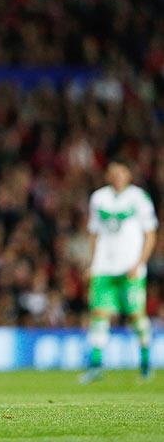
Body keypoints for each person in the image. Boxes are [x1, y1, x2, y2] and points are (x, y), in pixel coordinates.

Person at [81, 160, 158, 383]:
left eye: (121, 172)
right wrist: (92, 263)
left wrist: (140, 262)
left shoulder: (139, 198)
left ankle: (145, 365)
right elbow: (94, 233)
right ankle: (96, 366)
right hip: (104, 267)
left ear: (129, 175)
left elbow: (150, 234)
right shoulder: (98, 198)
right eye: (113, 172)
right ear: (107, 175)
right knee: (99, 314)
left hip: (130, 266)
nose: (117, 176)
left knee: (136, 315)